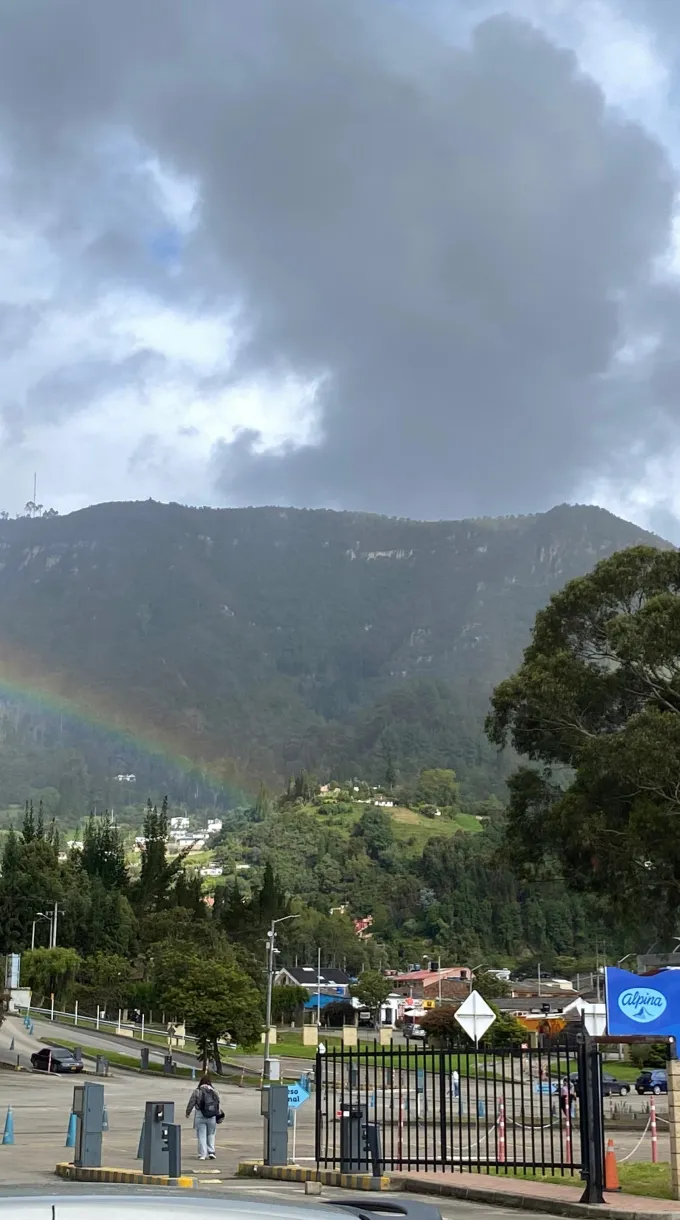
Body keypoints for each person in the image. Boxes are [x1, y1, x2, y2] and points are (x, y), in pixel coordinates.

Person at [186, 1074, 221, 1160]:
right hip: (212, 1116)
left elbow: (192, 1102)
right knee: (211, 1134)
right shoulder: (214, 1091)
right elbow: (218, 1103)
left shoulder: (197, 1091)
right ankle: (211, 1152)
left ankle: (202, 1154)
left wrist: (188, 1112)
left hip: (200, 1115)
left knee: (201, 1135)